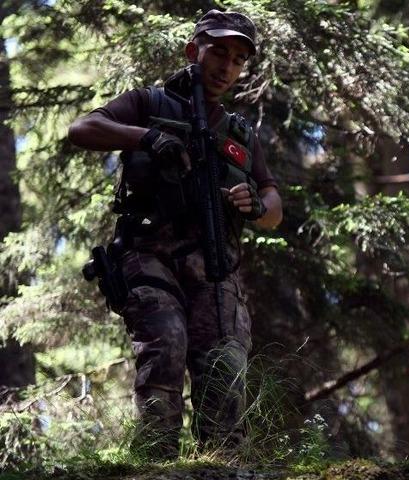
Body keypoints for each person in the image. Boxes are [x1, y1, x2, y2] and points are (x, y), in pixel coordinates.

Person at [68, 10, 282, 458]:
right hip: (149, 256)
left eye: (239, 59)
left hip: (215, 268)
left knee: (225, 370)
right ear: (193, 51)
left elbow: (273, 206)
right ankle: (156, 462)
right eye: (218, 52)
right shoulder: (150, 102)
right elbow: (82, 129)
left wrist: (257, 205)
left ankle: (221, 466)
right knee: (165, 344)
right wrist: (146, 138)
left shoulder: (240, 133)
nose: (227, 67)